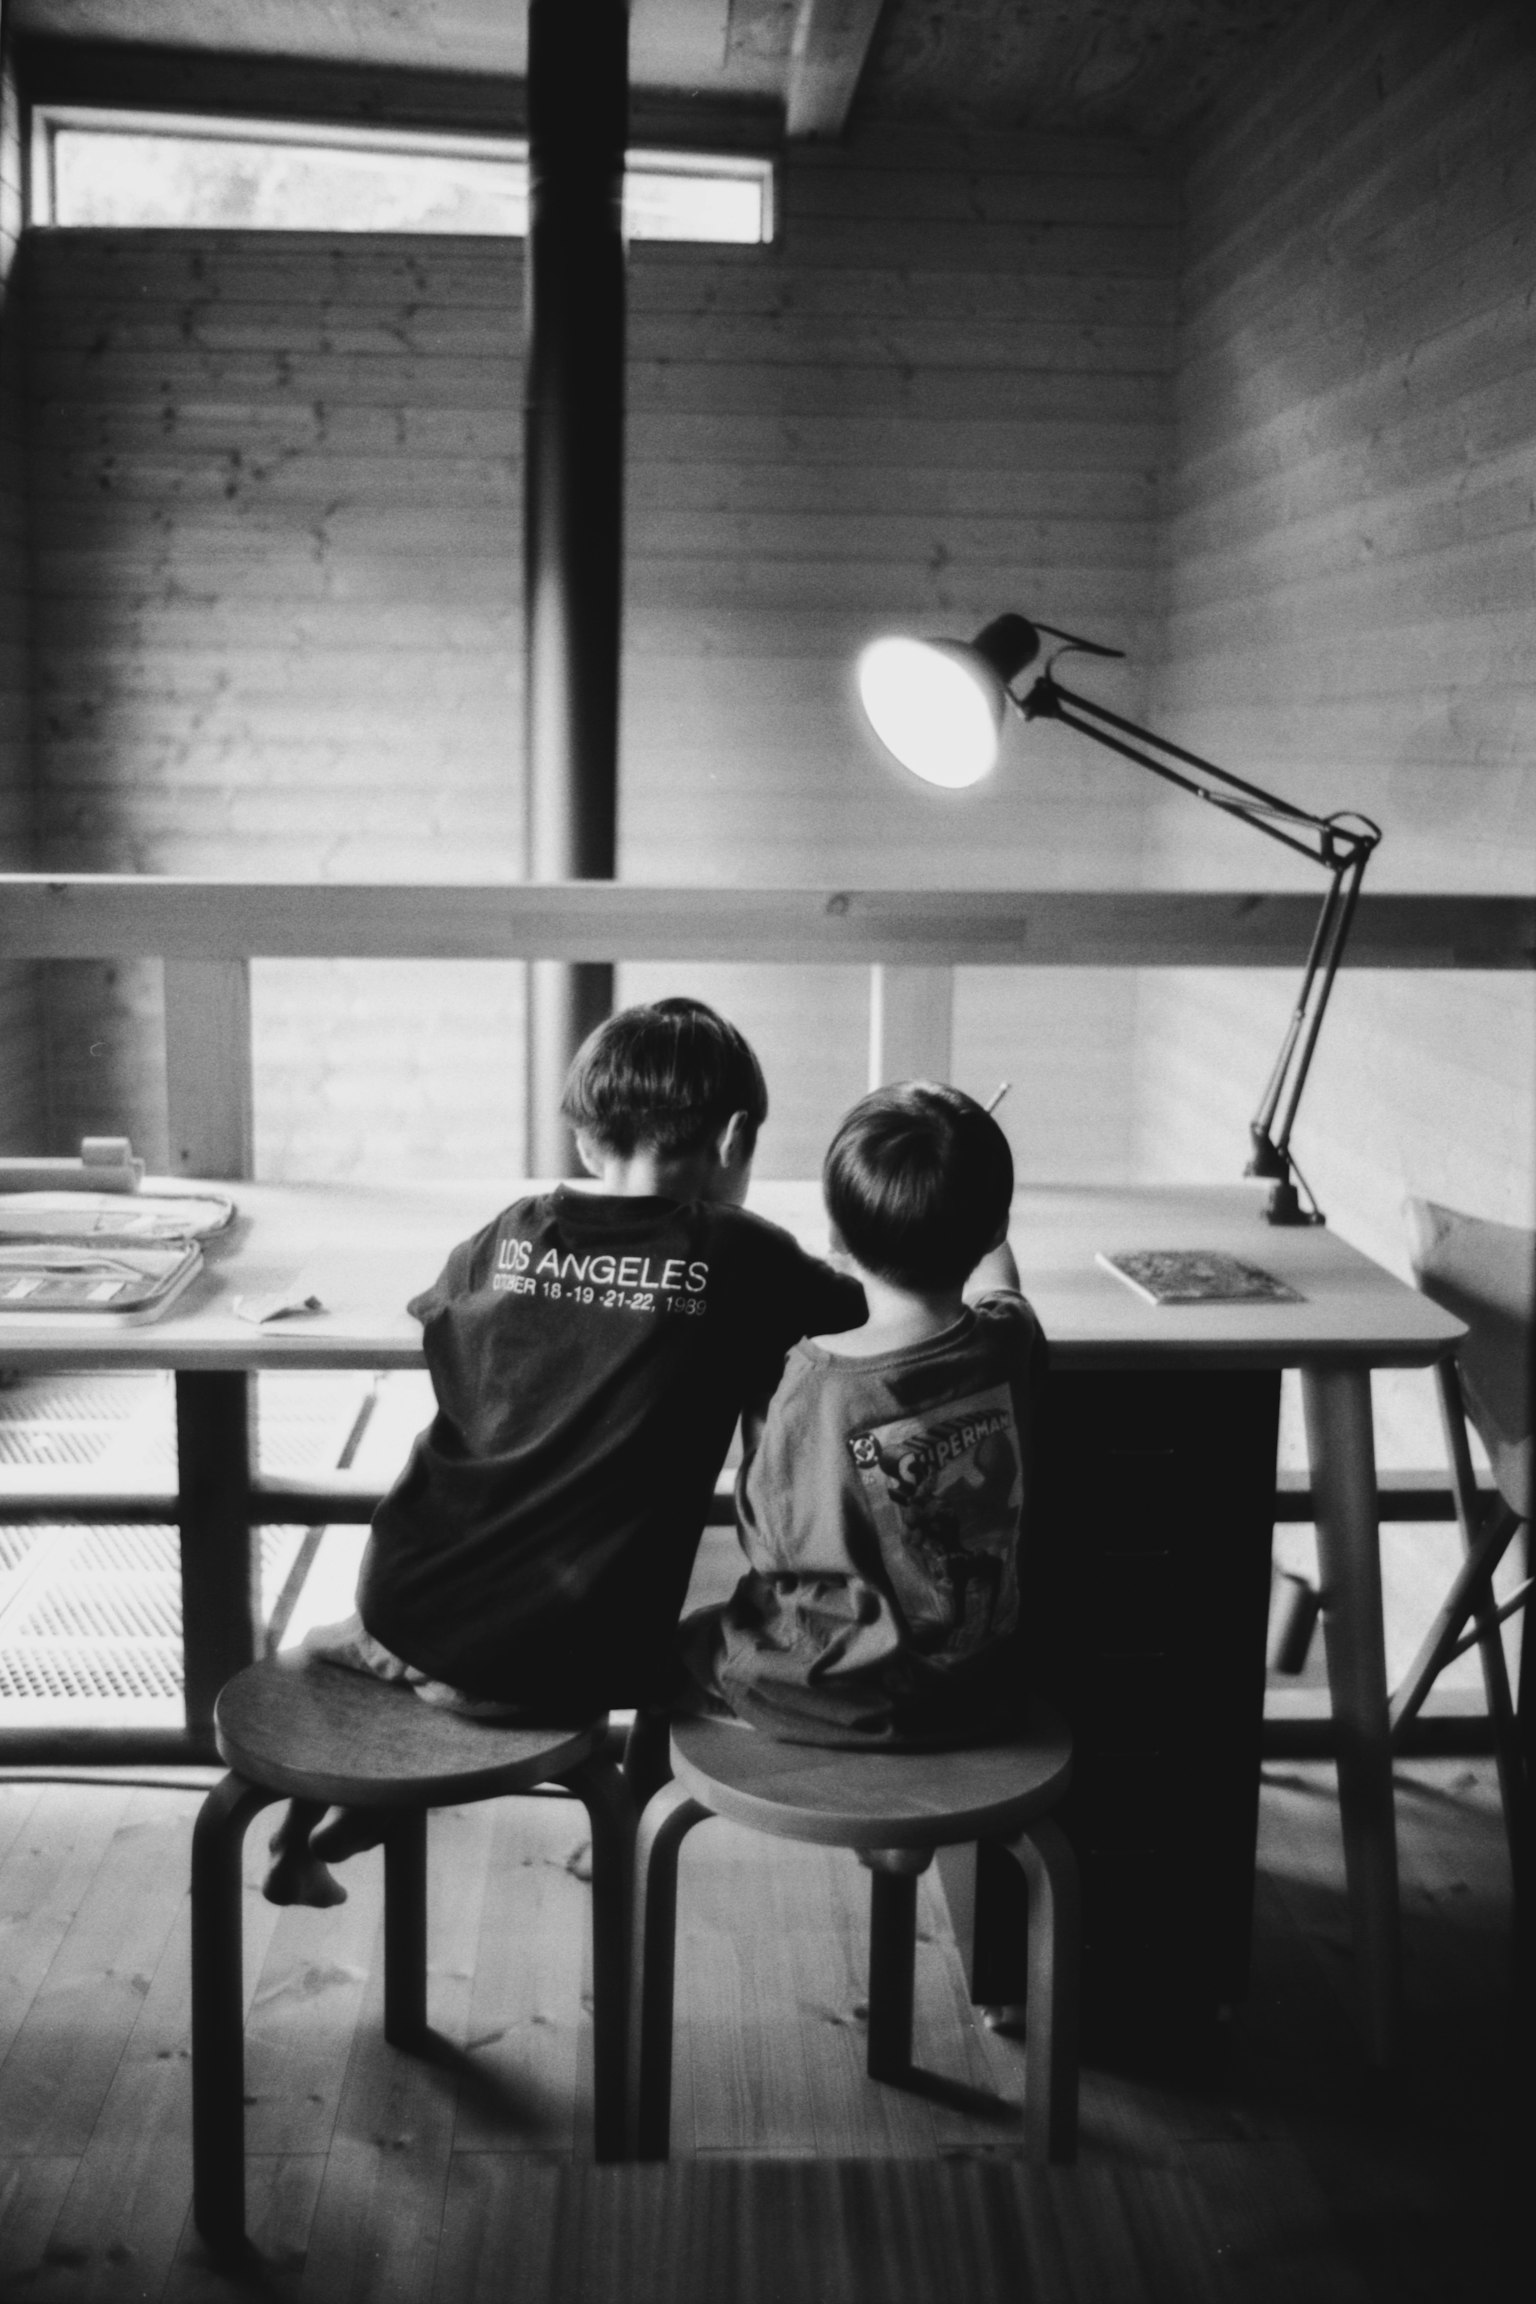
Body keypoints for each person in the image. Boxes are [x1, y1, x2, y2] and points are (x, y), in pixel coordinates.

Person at [264, 996, 864, 1905]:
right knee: (705, 1631)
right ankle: (626, 1834)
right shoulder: (744, 1254)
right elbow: (856, 1311)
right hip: (562, 1656)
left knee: (339, 1647)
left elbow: (438, 1319)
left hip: (402, 1600)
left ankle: (312, 1827)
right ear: (736, 1139)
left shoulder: (508, 1231)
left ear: (587, 1143)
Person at [680, 1081, 1047, 1747]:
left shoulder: (814, 1382)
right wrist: (973, 1197)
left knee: (671, 1651)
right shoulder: (1007, 1341)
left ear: (834, 1237)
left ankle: (632, 1839)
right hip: (978, 1690)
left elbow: (773, 1541)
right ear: (996, 1226)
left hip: (841, 1697)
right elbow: (1001, 1282)